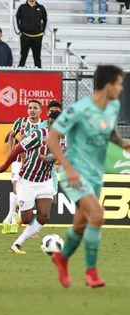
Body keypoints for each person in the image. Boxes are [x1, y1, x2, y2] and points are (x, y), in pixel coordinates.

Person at [47, 65, 128, 289]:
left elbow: (109, 130)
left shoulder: (113, 106)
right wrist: (69, 169)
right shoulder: (78, 110)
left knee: (81, 225)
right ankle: (91, 273)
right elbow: (52, 139)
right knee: (98, 215)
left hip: (94, 174)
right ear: (109, 86)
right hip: (74, 172)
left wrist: (122, 143)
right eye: (119, 84)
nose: (121, 88)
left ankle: (61, 258)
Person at [0, 111, 62, 254]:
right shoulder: (38, 135)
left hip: (45, 181)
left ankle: (17, 244)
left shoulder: (64, 139)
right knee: (26, 219)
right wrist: (3, 167)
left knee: (44, 215)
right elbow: (17, 149)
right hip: (27, 179)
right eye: (50, 123)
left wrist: (49, 158)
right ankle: (18, 203)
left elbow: (58, 157)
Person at [1, 100, 42, 234]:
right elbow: (11, 136)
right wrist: (11, 152)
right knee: (15, 188)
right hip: (19, 161)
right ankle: (13, 218)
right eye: (30, 107)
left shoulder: (43, 126)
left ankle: (9, 218)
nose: (32, 110)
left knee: (27, 192)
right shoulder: (21, 122)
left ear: (40, 111)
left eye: (35, 108)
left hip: (34, 162)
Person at [16, 0, 47, 68]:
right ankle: (19, 74)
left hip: (37, 36)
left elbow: (45, 20)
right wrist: (19, 31)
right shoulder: (22, 7)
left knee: (37, 58)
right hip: (25, 36)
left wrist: (43, 31)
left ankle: (39, 75)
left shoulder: (41, 8)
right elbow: (16, 18)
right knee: (23, 56)